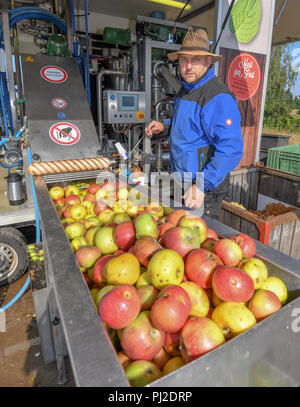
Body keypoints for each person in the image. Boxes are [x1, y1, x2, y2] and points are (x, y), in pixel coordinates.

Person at [145, 27, 244, 220]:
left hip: (205, 188)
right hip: (182, 179)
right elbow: (190, 124)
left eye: (195, 60)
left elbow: (231, 148)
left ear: (208, 61)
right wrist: (164, 126)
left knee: (200, 241)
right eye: (184, 60)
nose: (188, 66)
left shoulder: (217, 96)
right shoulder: (185, 91)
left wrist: (201, 185)